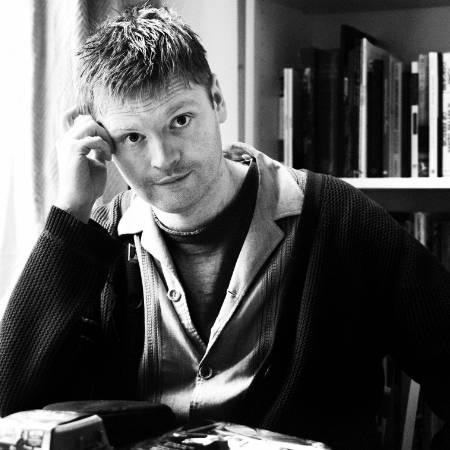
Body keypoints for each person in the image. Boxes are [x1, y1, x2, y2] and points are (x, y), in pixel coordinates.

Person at [1, 4, 450, 449]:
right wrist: (70, 213)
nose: (163, 159)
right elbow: (9, 402)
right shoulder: (98, 238)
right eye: (133, 137)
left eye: (180, 120)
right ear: (102, 141)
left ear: (217, 98)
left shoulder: (340, 217)